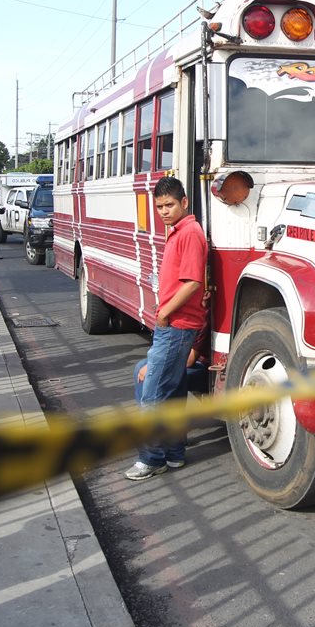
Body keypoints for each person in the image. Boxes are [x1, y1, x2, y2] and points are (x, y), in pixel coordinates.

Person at [124, 177, 208, 481]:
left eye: (169, 205)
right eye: (159, 206)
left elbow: (193, 282)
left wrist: (165, 313)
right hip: (178, 324)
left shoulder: (190, 233)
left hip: (176, 324)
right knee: (170, 393)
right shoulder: (181, 232)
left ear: (184, 202)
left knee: (153, 396)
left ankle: (151, 459)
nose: (163, 211)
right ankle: (173, 454)